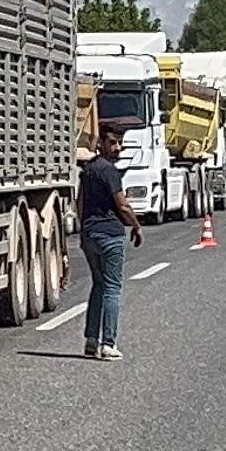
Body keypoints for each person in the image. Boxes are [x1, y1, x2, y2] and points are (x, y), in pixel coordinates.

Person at [77, 125, 133, 361]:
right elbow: (122, 205)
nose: (117, 147)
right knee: (112, 288)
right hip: (110, 235)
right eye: (112, 142)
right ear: (100, 143)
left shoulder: (88, 171)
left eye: (120, 142)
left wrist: (84, 229)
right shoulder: (110, 172)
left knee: (98, 285)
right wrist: (137, 226)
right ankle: (108, 343)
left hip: (90, 235)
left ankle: (91, 340)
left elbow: (79, 203)